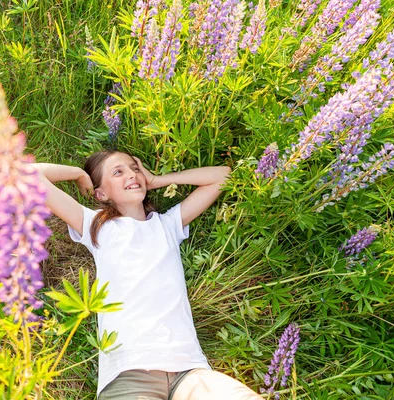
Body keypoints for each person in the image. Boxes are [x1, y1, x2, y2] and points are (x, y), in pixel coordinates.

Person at [33, 150, 262, 400]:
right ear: (102, 194)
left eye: (134, 168)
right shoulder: (96, 226)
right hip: (129, 373)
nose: (132, 174)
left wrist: (157, 180)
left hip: (189, 371)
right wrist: (78, 174)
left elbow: (223, 176)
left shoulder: (168, 225)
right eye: (118, 172)